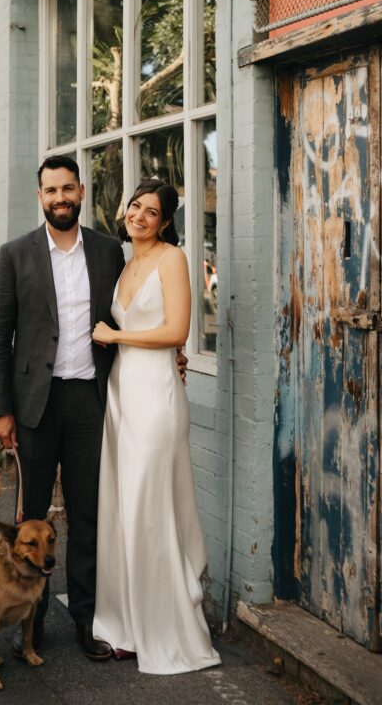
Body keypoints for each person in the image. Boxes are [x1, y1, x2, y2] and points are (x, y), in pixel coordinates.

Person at [0, 155, 125, 661]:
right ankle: (32, 624)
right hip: (35, 407)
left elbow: (128, 315)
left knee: (88, 516)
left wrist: (170, 351)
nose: (60, 198)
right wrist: (0, 411)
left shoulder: (110, 251)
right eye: (51, 191)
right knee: (31, 519)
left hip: (90, 399)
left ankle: (87, 623)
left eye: (68, 188)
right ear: (39, 195)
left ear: (82, 191)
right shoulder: (15, 254)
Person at [91, 178, 221, 674]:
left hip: (156, 398)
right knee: (123, 509)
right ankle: (125, 625)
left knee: (150, 510)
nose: (139, 216)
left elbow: (176, 332)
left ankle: (165, 630)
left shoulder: (173, 259)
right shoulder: (125, 263)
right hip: (122, 394)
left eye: (152, 211)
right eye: (135, 206)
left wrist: (114, 333)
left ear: (166, 221)